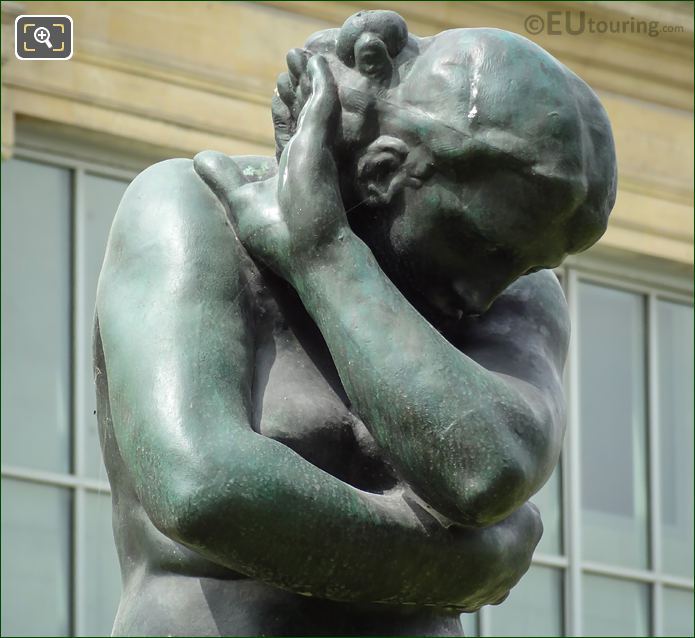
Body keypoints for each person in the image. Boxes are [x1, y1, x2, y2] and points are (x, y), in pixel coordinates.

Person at [94, 11, 616, 636]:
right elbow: (204, 488)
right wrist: (449, 570)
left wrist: (325, 259)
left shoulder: (518, 294)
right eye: (487, 248)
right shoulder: (192, 207)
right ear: (384, 172)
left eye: (532, 262)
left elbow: (485, 471)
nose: (489, 292)